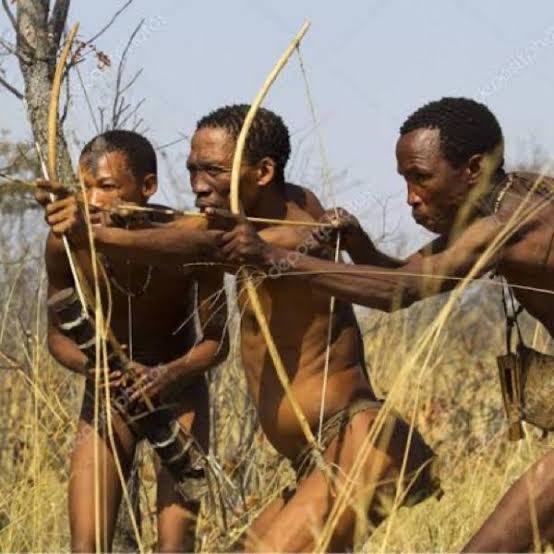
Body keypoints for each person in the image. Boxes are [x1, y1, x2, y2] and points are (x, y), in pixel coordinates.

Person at [43, 105, 440, 552]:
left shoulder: (297, 230)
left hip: (361, 445)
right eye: (193, 170)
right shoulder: (254, 225)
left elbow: (203, 246)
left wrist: (94, 234)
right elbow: (195, 235)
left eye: (213, 170)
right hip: (317, 460)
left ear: (264, 172)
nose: (197, 185)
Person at [220, 97, 554, 552]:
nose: (411, 196)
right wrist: (358, 245)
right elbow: (404, 278)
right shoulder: (510, 201)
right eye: (405, 180)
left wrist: (272, 256)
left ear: (473, 169)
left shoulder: (509, 222)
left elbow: (403, 290)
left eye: (421, 177)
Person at [38, 130, 228, 552]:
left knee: (175, 547)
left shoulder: (190, 237)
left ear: (148, 186)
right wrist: (94, 368)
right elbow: (56, 337)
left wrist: (168, 374)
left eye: (107, 187)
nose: (93, 200)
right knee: (86, 545)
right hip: (109, 394)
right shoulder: (67, 242)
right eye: (85, 187)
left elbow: (217, 341)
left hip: (179, 394)